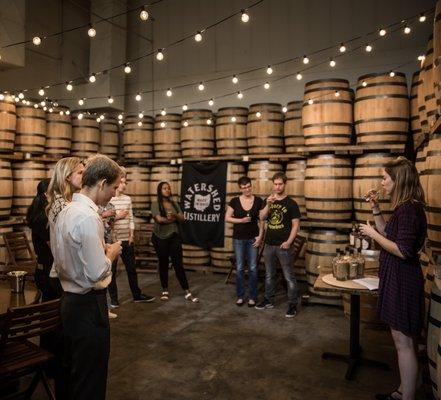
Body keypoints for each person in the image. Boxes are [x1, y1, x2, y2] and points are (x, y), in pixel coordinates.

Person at [52, 154, 122, 400]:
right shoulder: (89, 217)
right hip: (88, 307)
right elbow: (95, 273)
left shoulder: (66, 210)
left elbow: (63, 256)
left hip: (68, 302)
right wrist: (111, 254)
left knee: (73, 375)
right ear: (102, 183)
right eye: (113, 187)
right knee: (90, 381)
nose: (114, 194)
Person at [359, 157, 426, 400]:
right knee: (404, 341)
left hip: (403, 280)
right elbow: (390, 234)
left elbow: (403, 250)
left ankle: (406, 396)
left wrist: (371, 234)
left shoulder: (409, 210)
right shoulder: (404, 207)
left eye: (385, 178)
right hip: (398, 277)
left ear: (399, 181)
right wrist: (376, 209)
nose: (381, 182)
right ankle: (408, 387)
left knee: (403, 343)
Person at [105, 169, 155, 308]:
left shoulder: (127, 199)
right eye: (121, 182)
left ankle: (137, 295)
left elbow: (131, 218)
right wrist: (118, 217)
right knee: (112, 272)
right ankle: (114, 300)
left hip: (127, 239)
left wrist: (131, 234)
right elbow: (105, 221)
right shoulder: (109, 199)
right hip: (113, 241)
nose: (124, 185)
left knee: (132, 269)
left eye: (125, 182)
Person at [255, 172, 301, 318]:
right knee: (269, 275)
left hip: (283, 246)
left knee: (289, 277)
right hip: (269, 244)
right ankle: (269, 300)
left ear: (285, 184)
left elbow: (295, 226)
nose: (277, 186)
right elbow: (262, 217)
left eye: (280, 184)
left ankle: (292, 304)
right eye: (275, 184)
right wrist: (268, 204)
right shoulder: (269, 200)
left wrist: (288, 242)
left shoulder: (291, 203)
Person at [150, 181, 199, 302]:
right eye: (164, 188)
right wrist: (171, 219)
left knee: (179, 264)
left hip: (174, 236)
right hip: (160, 237)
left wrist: (175, 217)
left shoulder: (175, 203)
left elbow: (183, 218)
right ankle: (165, 290)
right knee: (163, 263)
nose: (167, 190)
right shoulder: (156, 204)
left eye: (168, 188)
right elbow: (159, 220)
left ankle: (187, 291)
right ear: (160, 191)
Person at [47, 156, 85, 297]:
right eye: (80, 173)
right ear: (67, 176)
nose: (84, 176)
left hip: (69, 273)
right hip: (64, 275)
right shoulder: (62, 204)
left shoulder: (69, 201)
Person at [225, 176, 264, 307]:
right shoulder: (235, 201)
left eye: (248, 186)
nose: (247, 189)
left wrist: (260, 236)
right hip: (238, 239)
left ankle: (253, 297)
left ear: (251, 186)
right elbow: (227, 218)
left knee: (253, 268)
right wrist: (240, 220)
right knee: (240, 268)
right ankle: (240, 296)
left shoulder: (258, 200)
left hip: (253, 238)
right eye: (244, 188)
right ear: (240, 188)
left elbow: (262, 221)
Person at [26, 178, 54, 301]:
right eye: (55, 191)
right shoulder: (42, 218)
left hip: (46, 268)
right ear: (46, 194)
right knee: (50, 309)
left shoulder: (42, 214)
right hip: (46, 271)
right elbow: (54, 247)